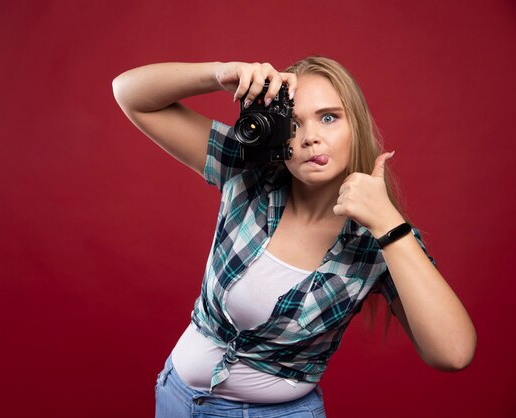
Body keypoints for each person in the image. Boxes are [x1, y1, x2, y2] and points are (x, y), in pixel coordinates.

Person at [112, 57, 476, 417]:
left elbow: (454, 353)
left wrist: (388, 226)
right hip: (176, 397)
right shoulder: (246, 173)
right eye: (294, 123)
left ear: (357, 126)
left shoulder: (381, 240)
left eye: (329, 118)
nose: (311, 137)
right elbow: (129, 94)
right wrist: (219, 74)